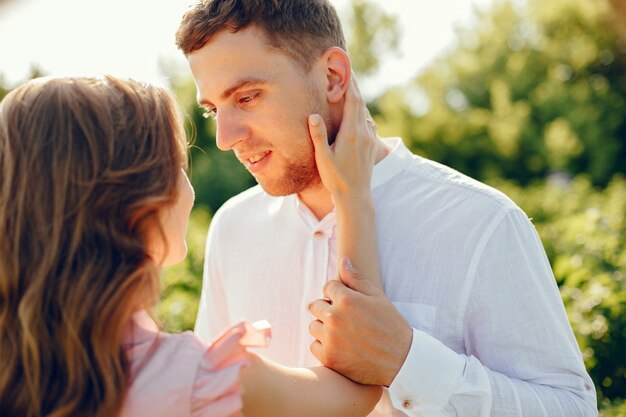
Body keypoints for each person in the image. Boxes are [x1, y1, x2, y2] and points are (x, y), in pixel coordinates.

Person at [176, 1, 599, 416]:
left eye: (248, 97)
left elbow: (572, 409)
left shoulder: (480, 222)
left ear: (333, 77)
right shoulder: (233, 228)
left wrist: (408, 362)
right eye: (213, 110)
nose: (225, 137)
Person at [0, 75, 384, 417]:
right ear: (141, 208)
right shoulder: (195, 380)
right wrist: (352, 198)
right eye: (179, 165)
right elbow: (355, 387)